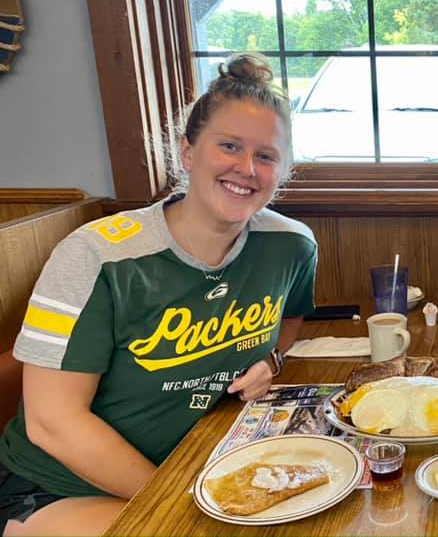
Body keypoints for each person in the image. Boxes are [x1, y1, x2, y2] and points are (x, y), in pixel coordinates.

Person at [0, 53, 317, 536]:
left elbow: (290, 320)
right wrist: (183, 499)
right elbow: (51, 423)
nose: (246, 168)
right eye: (229, 146)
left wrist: (271, 361)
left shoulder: (292, 246)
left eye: (266, 156)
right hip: (57, 488)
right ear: (188, 152)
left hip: (200, 460)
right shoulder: (94, 256)